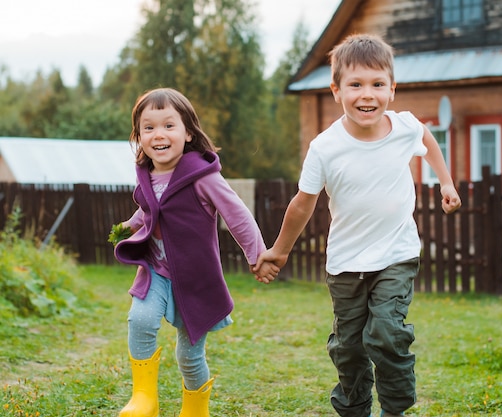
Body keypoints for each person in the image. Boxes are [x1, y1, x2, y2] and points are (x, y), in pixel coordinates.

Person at [253, 34, 461, 417]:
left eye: (378, 84)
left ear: (392, 89)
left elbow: (428, 139)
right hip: (346, 264)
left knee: (386, 334)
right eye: (356, 85)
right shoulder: (325, 148)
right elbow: (302, 205)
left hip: (397, 255)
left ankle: (394, 410)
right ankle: (354, 410)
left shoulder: (404, 127)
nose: (368, 94)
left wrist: (445, 181)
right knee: (348, 348)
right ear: (336, 90)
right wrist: (279, 251)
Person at [112, 87, 278, 417]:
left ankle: (195, 411)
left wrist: (257, 256)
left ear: (188, 133)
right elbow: (149, 211)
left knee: (189, 357)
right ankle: (144, 398)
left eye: (168, 125)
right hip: (156, 270)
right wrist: (127, 227)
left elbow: (238, 215)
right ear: (139, 136)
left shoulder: (203, 177)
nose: (158, 134)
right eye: (148, 127)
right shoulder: (147, 175)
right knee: (140, 318)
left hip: (196, 280)